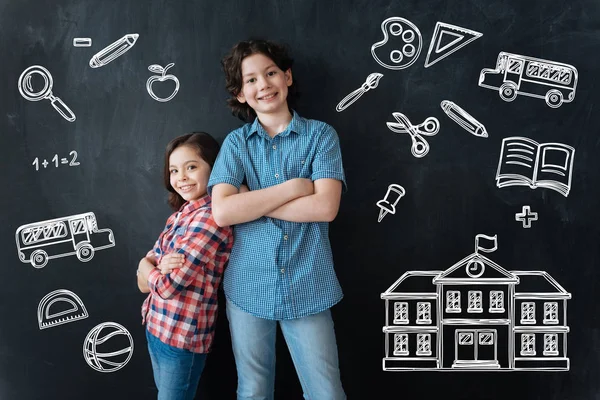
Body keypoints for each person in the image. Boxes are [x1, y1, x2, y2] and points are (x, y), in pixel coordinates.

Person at [208, 39, 347, 400]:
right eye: (250, 80)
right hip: (247, 284)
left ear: (287, 77)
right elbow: (222, 211)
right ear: (240, 94)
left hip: (309, 282)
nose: (263, 85)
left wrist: (249, 201)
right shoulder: (236, 145)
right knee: (253, 390)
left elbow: (325, 208)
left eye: (270, 73)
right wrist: (295, 188)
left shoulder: (321, 136)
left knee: (326, 392)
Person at [137, 132, 234, 400]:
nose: (181, 177)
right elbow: (142, 282)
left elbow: (166, 287)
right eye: (174, 170)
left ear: (214, 167)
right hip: (156, 325)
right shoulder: (181, 215)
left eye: (191, 167)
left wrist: (147, 266)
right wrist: (149, 267)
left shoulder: (211, 218)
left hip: (181, 338)